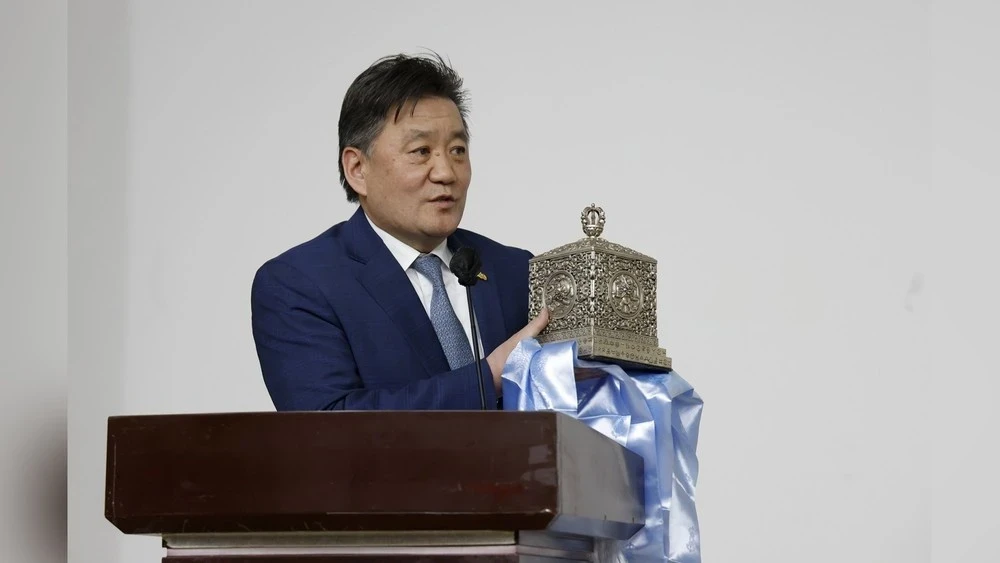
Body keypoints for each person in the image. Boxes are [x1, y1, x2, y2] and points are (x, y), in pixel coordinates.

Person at [250, 53, 549, 410]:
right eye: (421, 151)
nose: (446, 172)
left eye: (457, 150)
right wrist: (491, 376)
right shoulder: (299, 284)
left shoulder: (516, 271)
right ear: (357, 169)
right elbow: (329, 422)